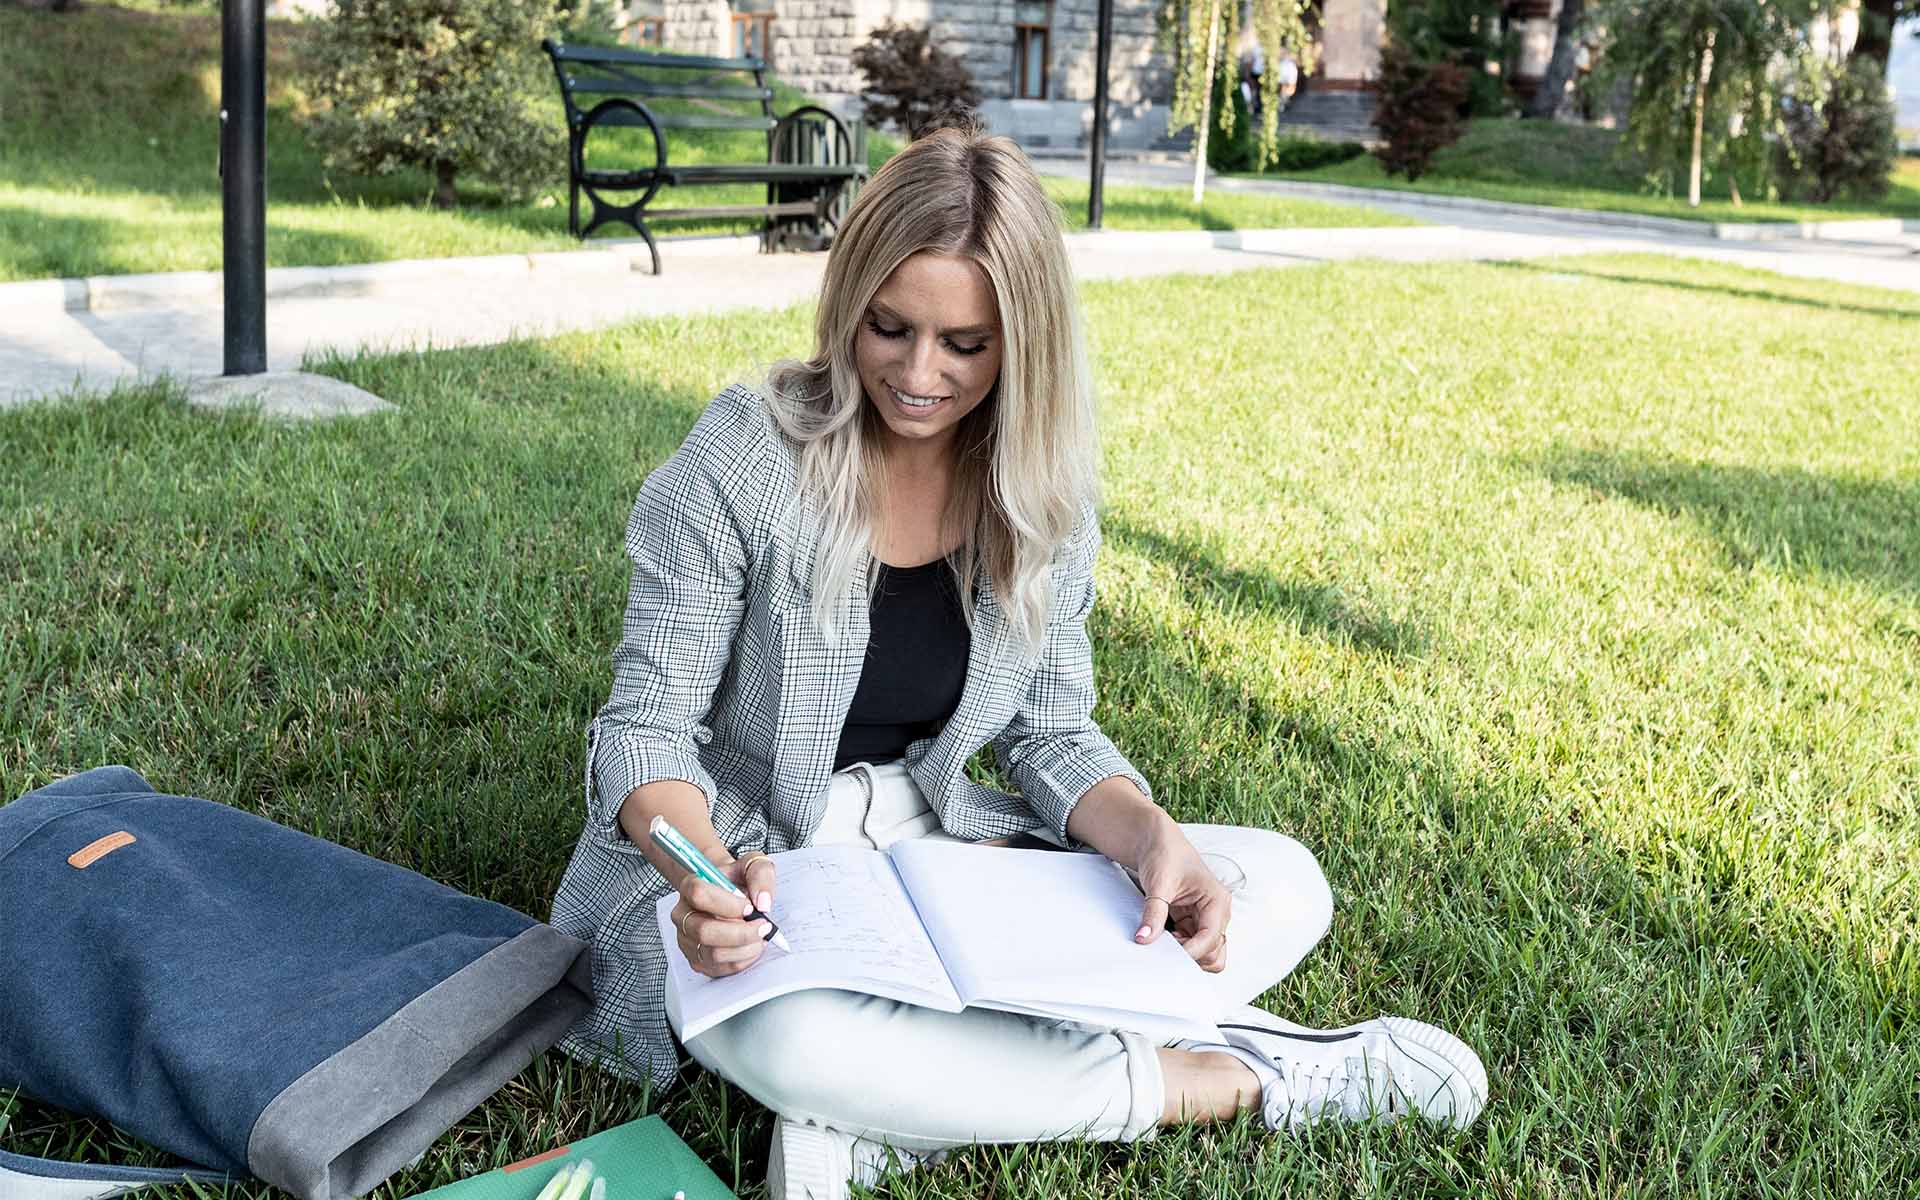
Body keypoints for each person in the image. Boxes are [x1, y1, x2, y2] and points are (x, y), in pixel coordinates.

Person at [549, 116, 1487, 1200]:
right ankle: (1225, 1079)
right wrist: (705, 882)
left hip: (940, 855)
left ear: (1022, 342)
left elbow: (1050, 727)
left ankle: (889, 1118)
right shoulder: (745, 454)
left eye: (964, 344)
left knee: (1280, 884)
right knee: (793, 1036)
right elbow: (646, 729)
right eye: (888, 327)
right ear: (848, 301)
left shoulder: (1041, 489)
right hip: (762, 855)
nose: (916, 374)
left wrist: (1150, 840)